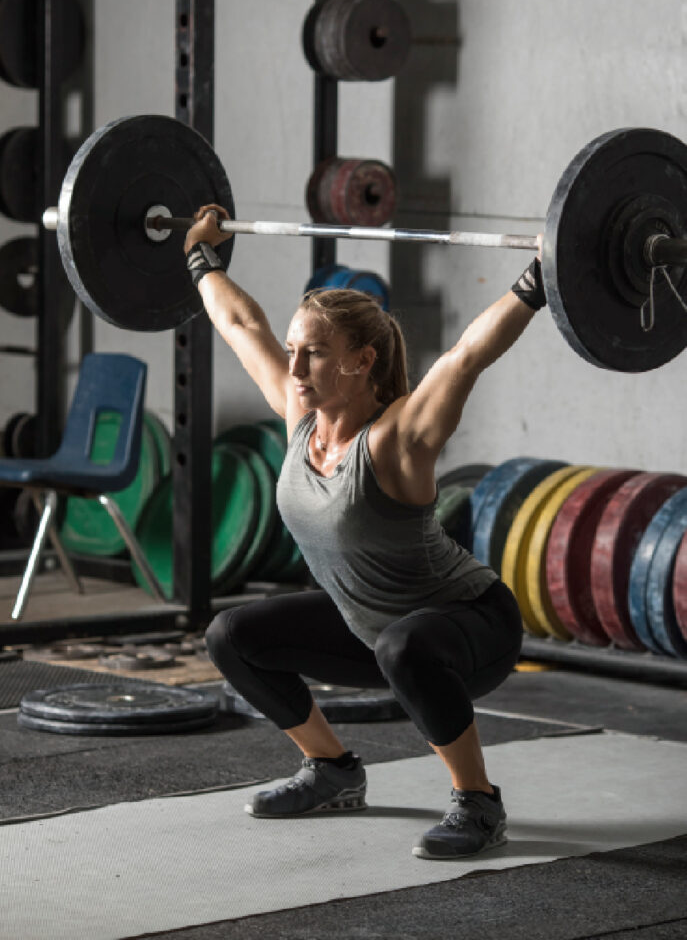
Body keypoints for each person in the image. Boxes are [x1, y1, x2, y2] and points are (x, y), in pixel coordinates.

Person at [184, 205, 545, 860]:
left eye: (313, 353)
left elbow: (465, 358)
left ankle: (478, 802)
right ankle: (331, 770)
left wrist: (540, 277)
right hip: (370, 627)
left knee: (405, 647)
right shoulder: (300, 413)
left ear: (361, 361)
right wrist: (199, 256)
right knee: (231, 636)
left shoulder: (397, 438)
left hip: (468, 626)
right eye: (293, 351)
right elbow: (239, 323)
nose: (293, 368)